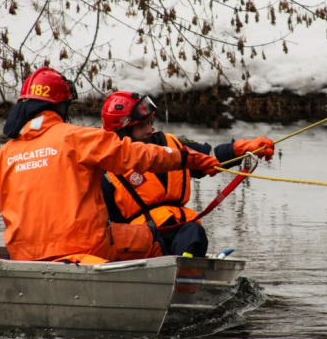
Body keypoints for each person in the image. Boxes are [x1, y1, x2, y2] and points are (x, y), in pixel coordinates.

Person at [0, 68, 221, 264]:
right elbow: (135, 155)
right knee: (154, 237)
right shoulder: (78, 138)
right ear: (61, 106)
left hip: (25, 255)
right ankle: (177, 286)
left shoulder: (2, 157)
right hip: (88, 248)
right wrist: (184, 158)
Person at [99, 91, 275, 257]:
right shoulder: (103, 166)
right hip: (138, 245)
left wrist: (241, 149)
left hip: (182, 233)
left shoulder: (174, 143)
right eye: (141, 126)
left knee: (193, 231)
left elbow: (209, 156)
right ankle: (183, 266)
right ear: (122, 132)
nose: (149, 130)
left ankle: (187, 265)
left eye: (150, 123)